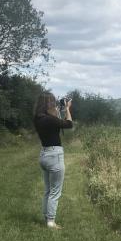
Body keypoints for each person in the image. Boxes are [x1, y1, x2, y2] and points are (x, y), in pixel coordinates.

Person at [33, 91, 73, 229]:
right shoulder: (50, 119)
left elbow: (55, 122)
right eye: (53, 102)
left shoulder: (38, 118)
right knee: (55, 191)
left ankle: (46, 217)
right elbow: (68, 124)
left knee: (48, 190)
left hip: (44, 154)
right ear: (49, 103)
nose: (55, 104)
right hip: (54, 155)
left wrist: (57, 111)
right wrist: (67, 109)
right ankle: (51, 222)